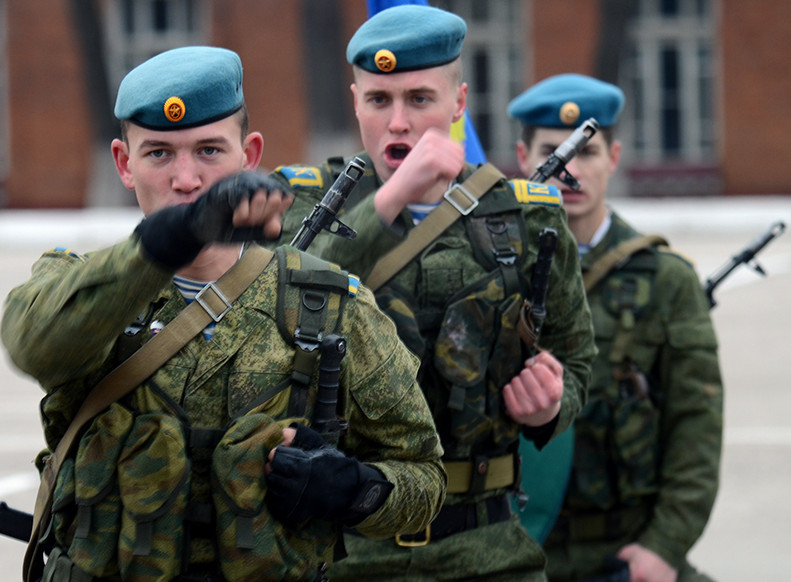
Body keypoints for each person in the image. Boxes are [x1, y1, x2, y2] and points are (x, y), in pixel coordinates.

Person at [1, 46, 446, 582]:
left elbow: (424, 477)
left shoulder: (331, 305)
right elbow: (33, 342)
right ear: (123, 163)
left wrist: (351, 487)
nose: (186, 179)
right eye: (159, 154)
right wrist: (163, 244)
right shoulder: (78, 286)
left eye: (209, 150)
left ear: (249, 155)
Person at [268, 6, 597, 581]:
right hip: (346, 548)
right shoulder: (305, 206)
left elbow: (577, 361)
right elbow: (277, 309)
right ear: (355, 102)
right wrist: (391, 200)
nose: (398, 122)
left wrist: (551, 406)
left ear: (459, 103)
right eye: (379, 100)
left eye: (419, 99)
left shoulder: (527, 217)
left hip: (487, 545)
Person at [508, 73, 723, 582]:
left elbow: (696, 427)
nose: (571, 171)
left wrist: (664, 548)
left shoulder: (665, 280)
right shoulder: (491, 271)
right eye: (553, 153)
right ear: (523, 158)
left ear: (615, 157)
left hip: (625, 550)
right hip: (511, 550)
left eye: (587, 152)